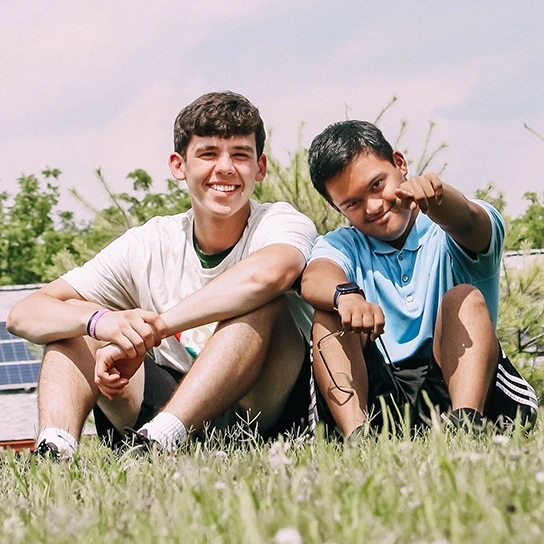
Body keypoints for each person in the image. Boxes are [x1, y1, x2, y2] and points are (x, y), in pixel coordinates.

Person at [8, 91, 317, 457]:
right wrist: (102, 323)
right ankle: (54, 450)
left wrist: (153, 329)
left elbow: (267, 276)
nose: (225, 167)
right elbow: (23, 314)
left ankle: (159, 439)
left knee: (265, 306)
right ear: (178, 166)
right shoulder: (148, 242)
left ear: (260, 168)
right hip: (165, 400)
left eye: (240, 155)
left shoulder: (281, 222)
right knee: (73, 324)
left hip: (260, 411)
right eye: (208, 154)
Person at [301, 119, 538, 440]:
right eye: (352, 203)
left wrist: (439, 199)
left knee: (463, 296)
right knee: (328, 313)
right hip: (382, 394)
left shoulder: (448, 231)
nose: (373, 206)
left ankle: (466, 427)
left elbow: (469, 222)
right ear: (336, 206)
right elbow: (315, 277)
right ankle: (358, 438)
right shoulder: (342, 244)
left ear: (400, 164)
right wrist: (346, 295)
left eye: (377, 185)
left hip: (463, 382)